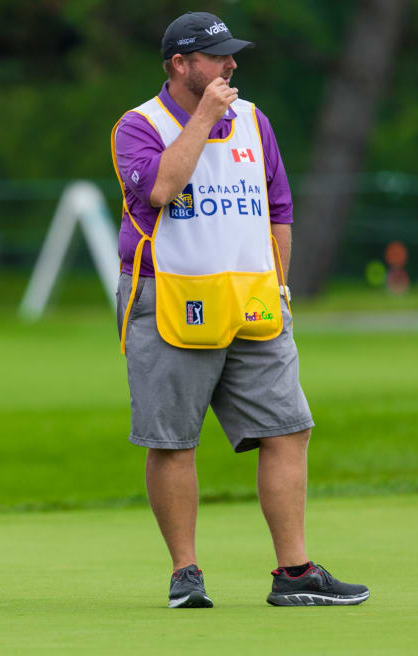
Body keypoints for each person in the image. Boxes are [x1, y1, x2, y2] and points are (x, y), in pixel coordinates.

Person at [111, 12, 368, 608]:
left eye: (232, 55)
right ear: (180, 65)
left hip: (254, 298)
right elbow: (159, 190)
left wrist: (281, 285)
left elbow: (279, 209)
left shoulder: (254, 120)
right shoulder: (138, 125)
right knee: (173, 440)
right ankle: (186, 572)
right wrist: (202, 119)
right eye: (217, 56)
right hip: (169, 295)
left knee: (288, 428)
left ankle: (295, 573)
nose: (231, 65)